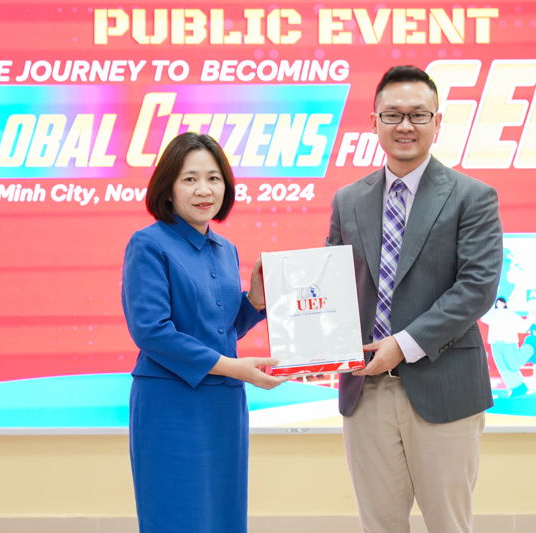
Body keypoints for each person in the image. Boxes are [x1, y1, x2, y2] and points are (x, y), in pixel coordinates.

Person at [326, 65, 503, 533]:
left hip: (444, 387)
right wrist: (296, 312)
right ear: (374, 122)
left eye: (418, 115)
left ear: (437, 123)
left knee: (448, 524)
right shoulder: (348, 200)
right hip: (366, 389)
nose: (405, 125)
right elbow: (332, 284)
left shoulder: (472, 197)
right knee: (379, 524)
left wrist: (402, 346)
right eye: (393, 115)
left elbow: (477, 288)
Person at [121, 132, 286, 533]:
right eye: (190, 179)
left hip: (224, 403)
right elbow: (152, 331)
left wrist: (256, 302)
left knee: (224, 516)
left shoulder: (225, 249)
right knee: (176, 516)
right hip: (171, 403)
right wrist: (233, 367)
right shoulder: (148, 244)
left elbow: (220, 327)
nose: (204, 190)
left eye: (213, 178)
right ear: (168, 187)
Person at [480, 297, 536, 397]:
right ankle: (517, 387)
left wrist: (531, 318)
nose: (499, 304)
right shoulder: (492, 315)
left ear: (505, 304)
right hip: (495, 343)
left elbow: (523, 326)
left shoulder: (510, 315)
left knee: (512, 364)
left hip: (508, 342)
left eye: (501, 302)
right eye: (498, 302)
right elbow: (483, 317)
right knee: (503, 367)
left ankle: (530, 348)